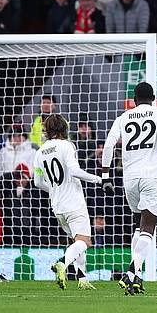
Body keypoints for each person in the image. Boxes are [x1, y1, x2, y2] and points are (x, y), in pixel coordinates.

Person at [102, 82, 157, 295]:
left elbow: (109, 144)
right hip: (152, 175)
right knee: (149, 227)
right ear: (154, 97)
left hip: (129, 177)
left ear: (133, 98)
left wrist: (105, 176)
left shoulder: (123, 117)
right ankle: (131, 273)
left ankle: (137, 275)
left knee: (138, 227)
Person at [33, 114, 103, 290]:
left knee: (77, 241)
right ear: (64, 128)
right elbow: (74, 171)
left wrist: (55, 189)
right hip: (73, 201)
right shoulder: (67, 146)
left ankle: (83, 278)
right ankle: (62, 264)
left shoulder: (39, 152)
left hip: (57, 205)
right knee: (84, 241)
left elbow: (37, 182)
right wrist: (97, 179)